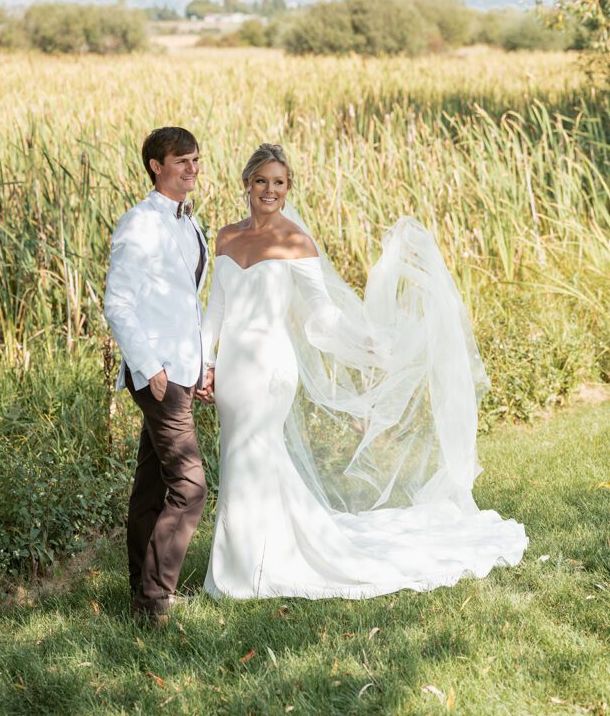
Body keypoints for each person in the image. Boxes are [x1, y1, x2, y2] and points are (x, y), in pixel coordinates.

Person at [201, 143, 527, 600]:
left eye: (278, 182)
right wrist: (205, 363)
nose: (269, 190)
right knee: (243, 454)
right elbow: (214, 310)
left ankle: (245, 571)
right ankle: (253, 557)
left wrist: (369, 343)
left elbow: (324, 314)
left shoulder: (297, 241)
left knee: (252, 453)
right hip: (234, 367)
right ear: (246, 184)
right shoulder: (226, 237)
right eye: (261, 181)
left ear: (288, 188)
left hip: (271, 368)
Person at [104, 126, 213, 622]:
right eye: (182, 160)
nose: (192, 168)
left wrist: (204, 364)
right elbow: (118, 305)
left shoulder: (190, 224)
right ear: (156, 165)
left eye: (195, 160)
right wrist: (151, 369)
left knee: (152, 486)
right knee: (190, 486)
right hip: (158, 375)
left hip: (185, 370)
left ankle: (140, 592)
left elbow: (188, 305)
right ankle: (155, 599)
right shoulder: (139, 224)